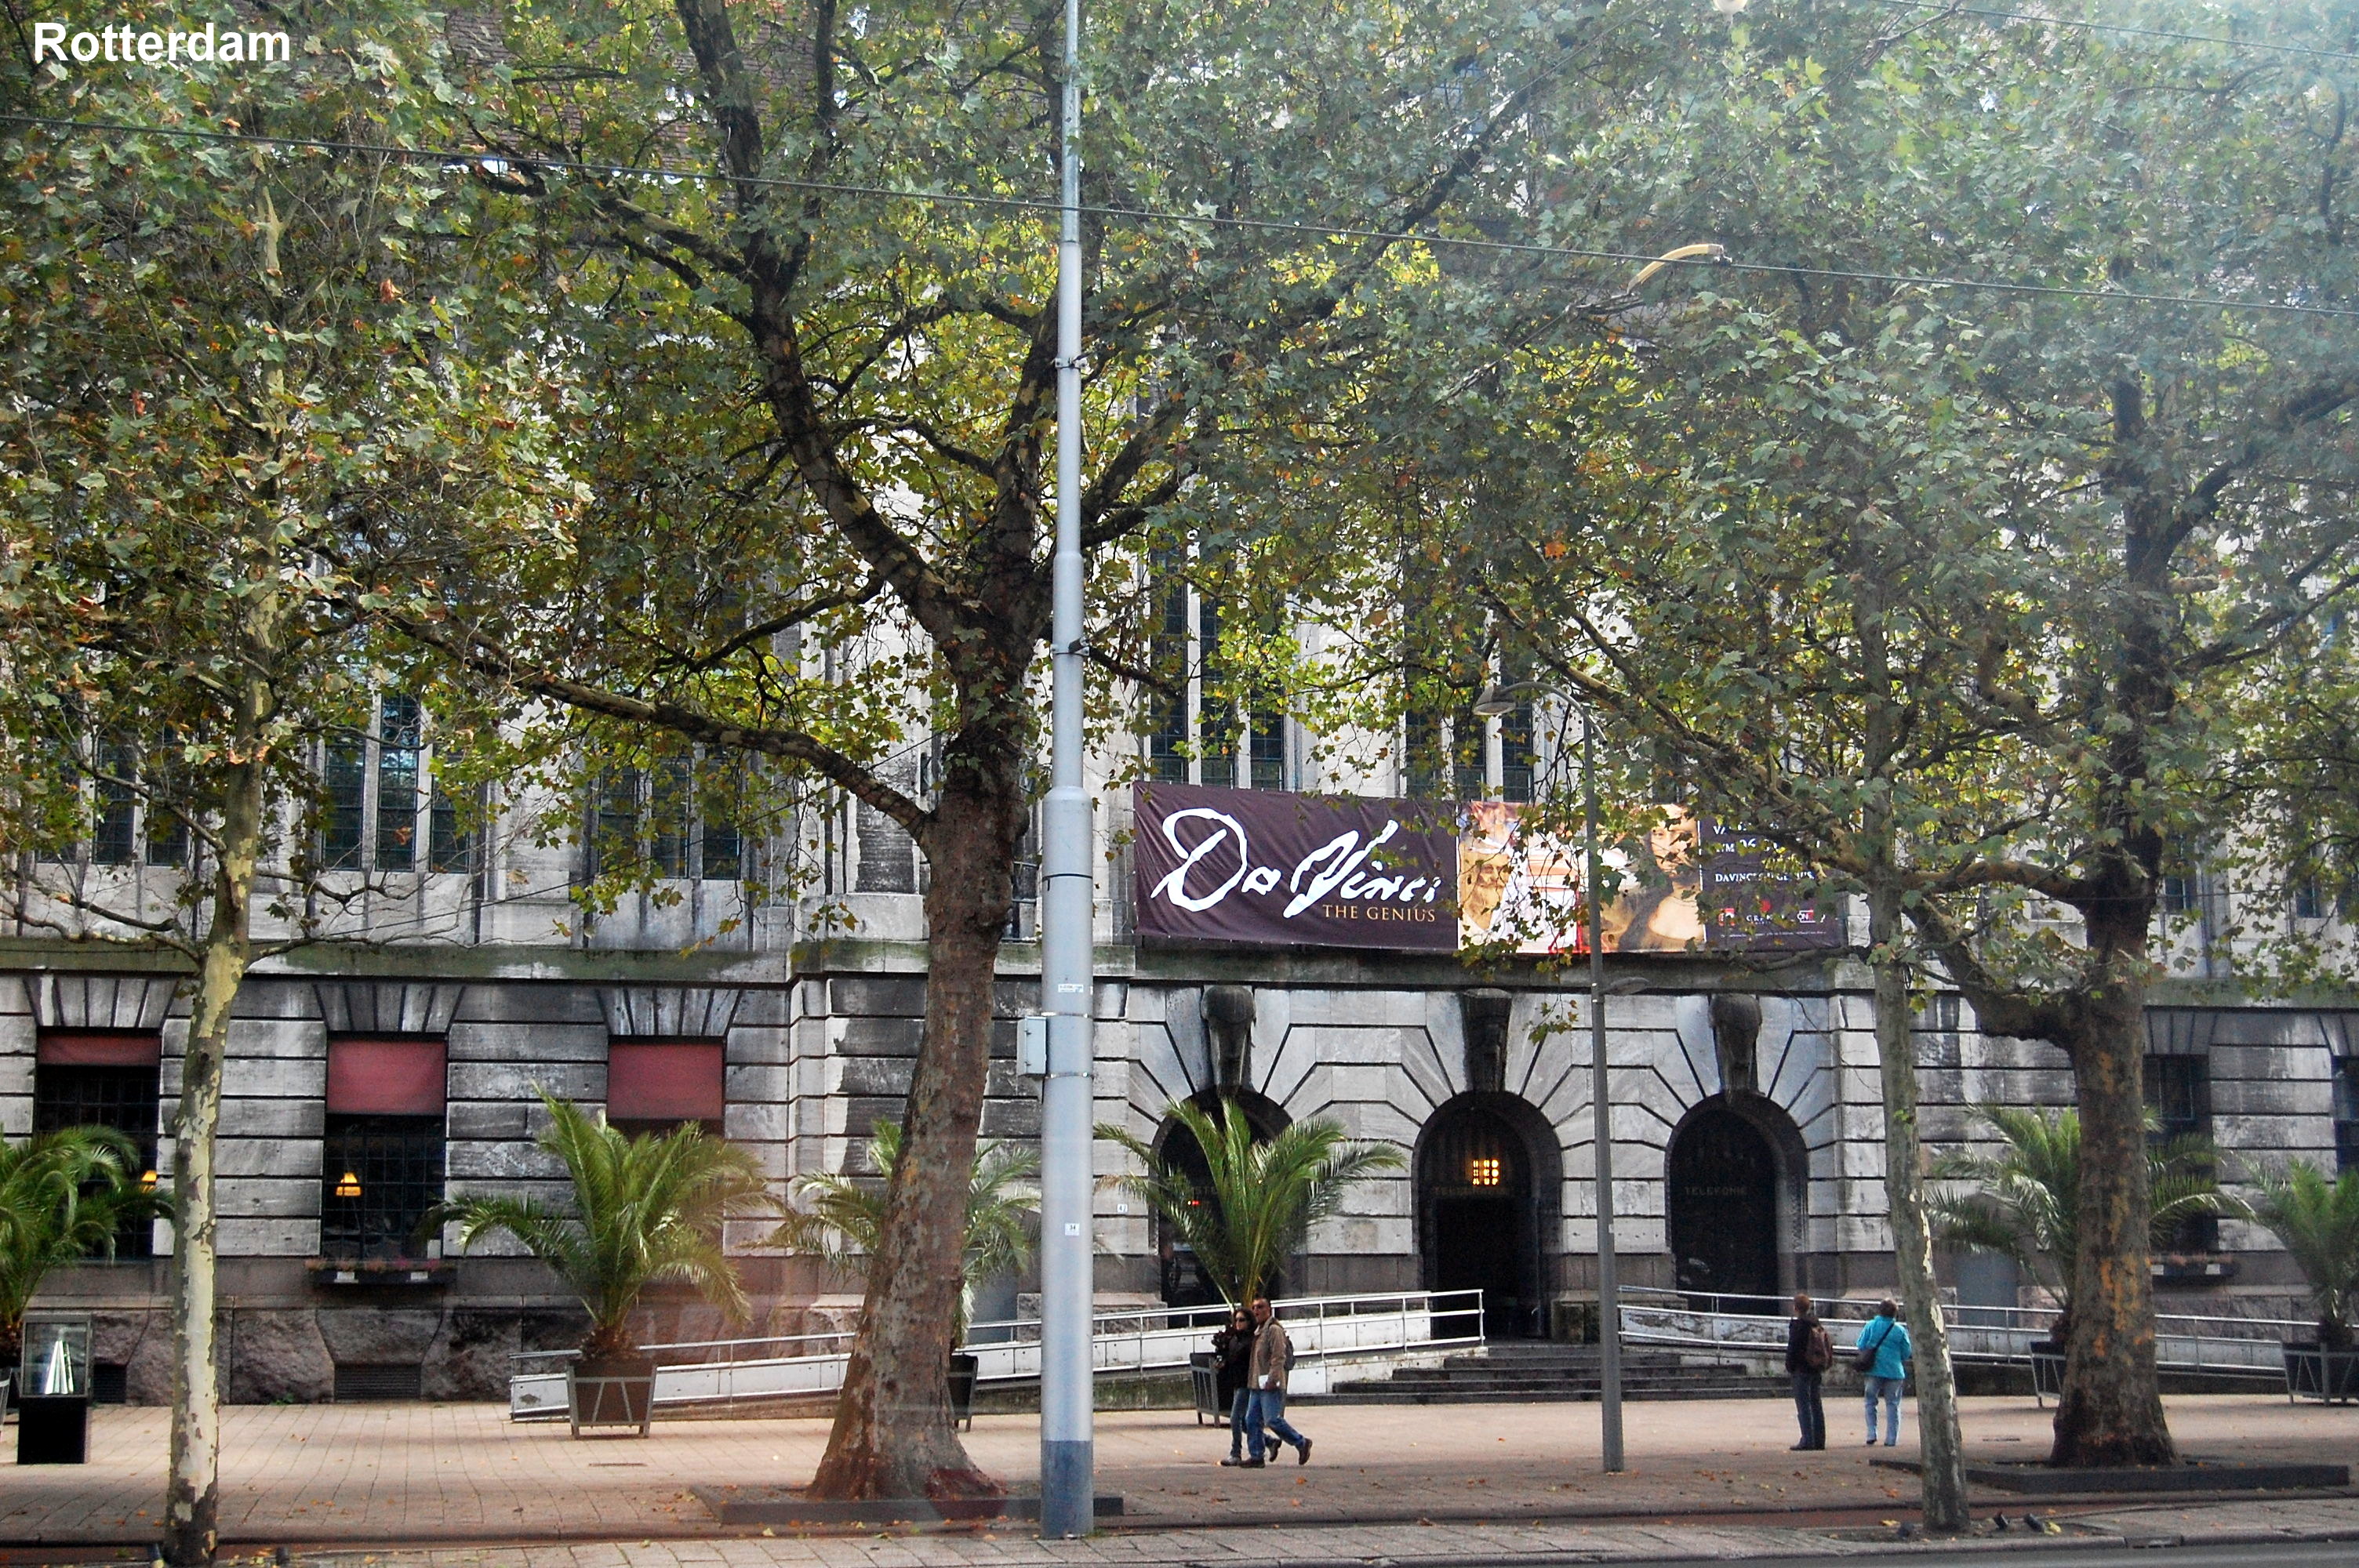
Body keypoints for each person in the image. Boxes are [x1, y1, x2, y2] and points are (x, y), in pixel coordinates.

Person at [1241, 1296, 1313, 1467]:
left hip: (1270, 1384)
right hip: (1256, 1384)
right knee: (1251, 1420)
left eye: (1260, 1307)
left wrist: (1273, 1379)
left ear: (1269, 1310)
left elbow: (1279, 1356)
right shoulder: (1258, 1331)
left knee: (1272, 1419)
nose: (1256, 1311)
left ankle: (1301, 1442)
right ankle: (1257, 1456)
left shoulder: (1274, 1330)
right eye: (1254, 1307)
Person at [1856, 1298, 1913, 1446]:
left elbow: (1861, 1344)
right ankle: (1891, 1438)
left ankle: (1871, 1433)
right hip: (1894, 1371)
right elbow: (1907, 1352)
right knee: (1893, 1405)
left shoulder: (1871, 1326)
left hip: (1873, 1370)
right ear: (1895, 1313)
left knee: (1870, 1402)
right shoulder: (1900, 1330)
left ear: (1879, 1311)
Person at [1783, 1292, 1830, 1450]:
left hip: (1801, 1369)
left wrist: (1790, 1366)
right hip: (1815, 1368)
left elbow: (1793, 1349)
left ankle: (1807, 1439)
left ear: (1795, 1308)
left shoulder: (1798, 1326)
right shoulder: (1816, 1324)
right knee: (1816, 1404)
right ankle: (1819, 1440)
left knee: (1803, 1405)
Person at [1212, 1308, 1256, 1465]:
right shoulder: (1234, 1339)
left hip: (1246, 1382)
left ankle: (1235, 1452)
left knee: (1235, 1417)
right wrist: (1223, 1364)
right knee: (1243, 1421)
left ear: (1249, 1322)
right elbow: (1231, 1359)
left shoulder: (1251, 1340)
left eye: (1242, 1320)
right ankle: (1268, 1441)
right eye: (1236, 1320)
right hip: (1236, 1381)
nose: (1238, 1323)